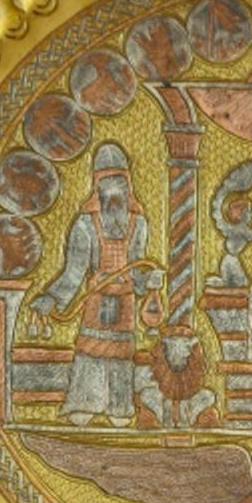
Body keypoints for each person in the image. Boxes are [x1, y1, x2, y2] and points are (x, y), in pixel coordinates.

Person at [29, 143, 160, 426]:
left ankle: (120, 409)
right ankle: (83, 405)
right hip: (96, 298)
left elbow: (137, 268)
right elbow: (74, 272)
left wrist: (149, 281)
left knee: (121, 358)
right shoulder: (85, 225)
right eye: (107, 184)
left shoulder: (138, 224)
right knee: (90, 354)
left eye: (119, 183)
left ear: (127, 185)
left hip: (124, 301)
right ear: (97, 186)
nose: (114, 192)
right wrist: (52, 298)